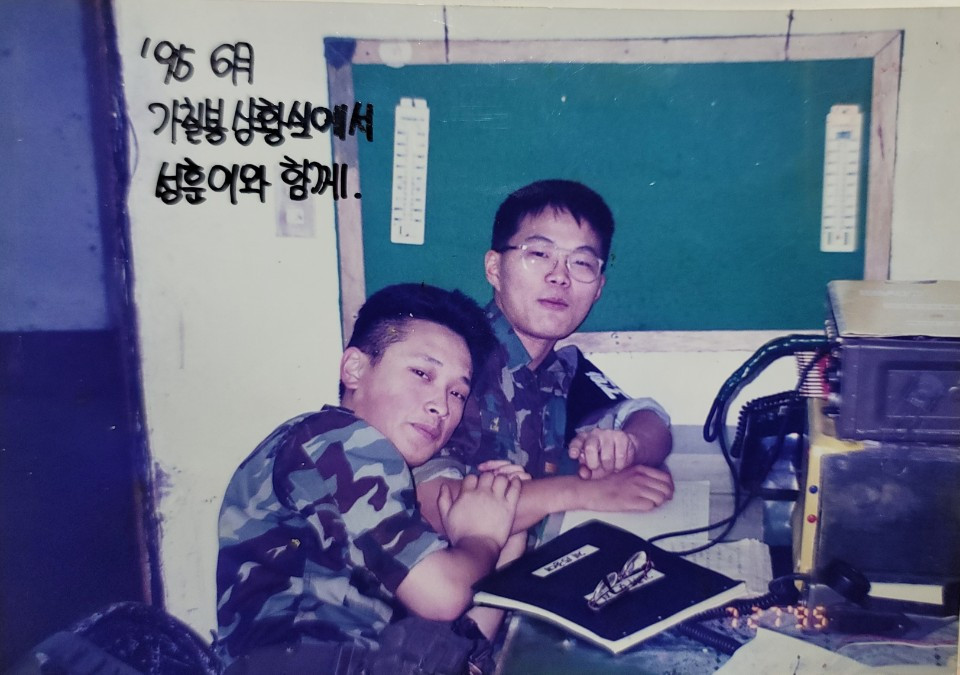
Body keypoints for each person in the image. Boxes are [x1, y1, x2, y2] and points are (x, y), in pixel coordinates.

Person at [214, 283, 526, 674]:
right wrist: (481, 539)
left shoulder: (376, 476)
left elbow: (457, 649)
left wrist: (507, 535)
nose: (441, 406)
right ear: (354, 369)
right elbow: (443, 596)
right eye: (421, 373)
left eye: (457, 393)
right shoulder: (335, 438)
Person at [415, 179, 674, 537]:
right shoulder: (454, 359)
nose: (559, 277)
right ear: (494, 269)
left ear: (598, 288)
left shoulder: (558, 369)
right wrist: (583, 492)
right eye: (539, 254)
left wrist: (628, 445)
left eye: (581, 262)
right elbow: (434, 506)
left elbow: (649, 418)